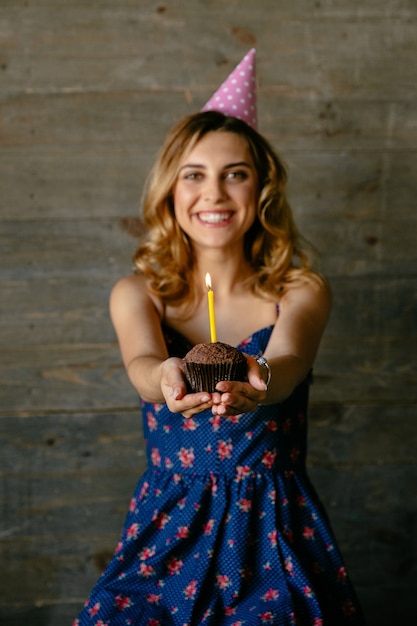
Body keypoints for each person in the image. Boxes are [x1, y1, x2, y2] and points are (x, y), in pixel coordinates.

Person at [74, 51, 365, 625]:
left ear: (261, 188)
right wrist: (163, 378)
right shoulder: (139, 293)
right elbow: (142, 362)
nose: (215, 192)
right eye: (194, 174)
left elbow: (287, 362)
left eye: (235, 173)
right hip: (168, 521)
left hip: (273, 526)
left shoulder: (299, 290)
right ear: (169, 190)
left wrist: (259, 381)